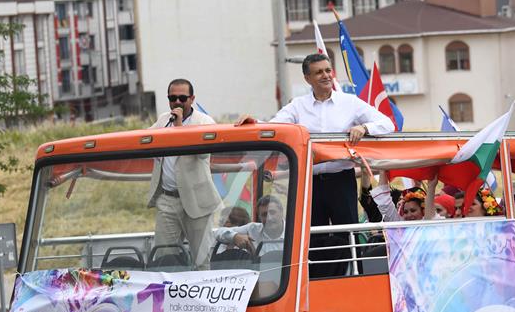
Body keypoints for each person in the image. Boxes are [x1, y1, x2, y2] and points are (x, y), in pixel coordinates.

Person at [243, 55, 394, 277]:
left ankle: (355, 278)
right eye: (319, 72)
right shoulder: (298, 105)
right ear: (307, 78)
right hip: (309, 182)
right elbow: (275, 126)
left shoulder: (349, 102)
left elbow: (388, 124)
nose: (325, 75)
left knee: (349, 233)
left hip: (341, 179)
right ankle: (317, 281)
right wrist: (253, 124)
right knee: (313, 235)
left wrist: (364, 127)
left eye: (327, 70)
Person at [147, 79, 222, 268]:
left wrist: (180, 128)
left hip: (197, 199)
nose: (177, 102)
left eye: (182, 98)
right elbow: (143, 141)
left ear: (192, 99)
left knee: (202, 259)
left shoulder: (205, 121)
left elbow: (204, 153)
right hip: (168, 199)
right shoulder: (164, 120)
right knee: (164, 259)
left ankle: (202, 296)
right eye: (173, 98)